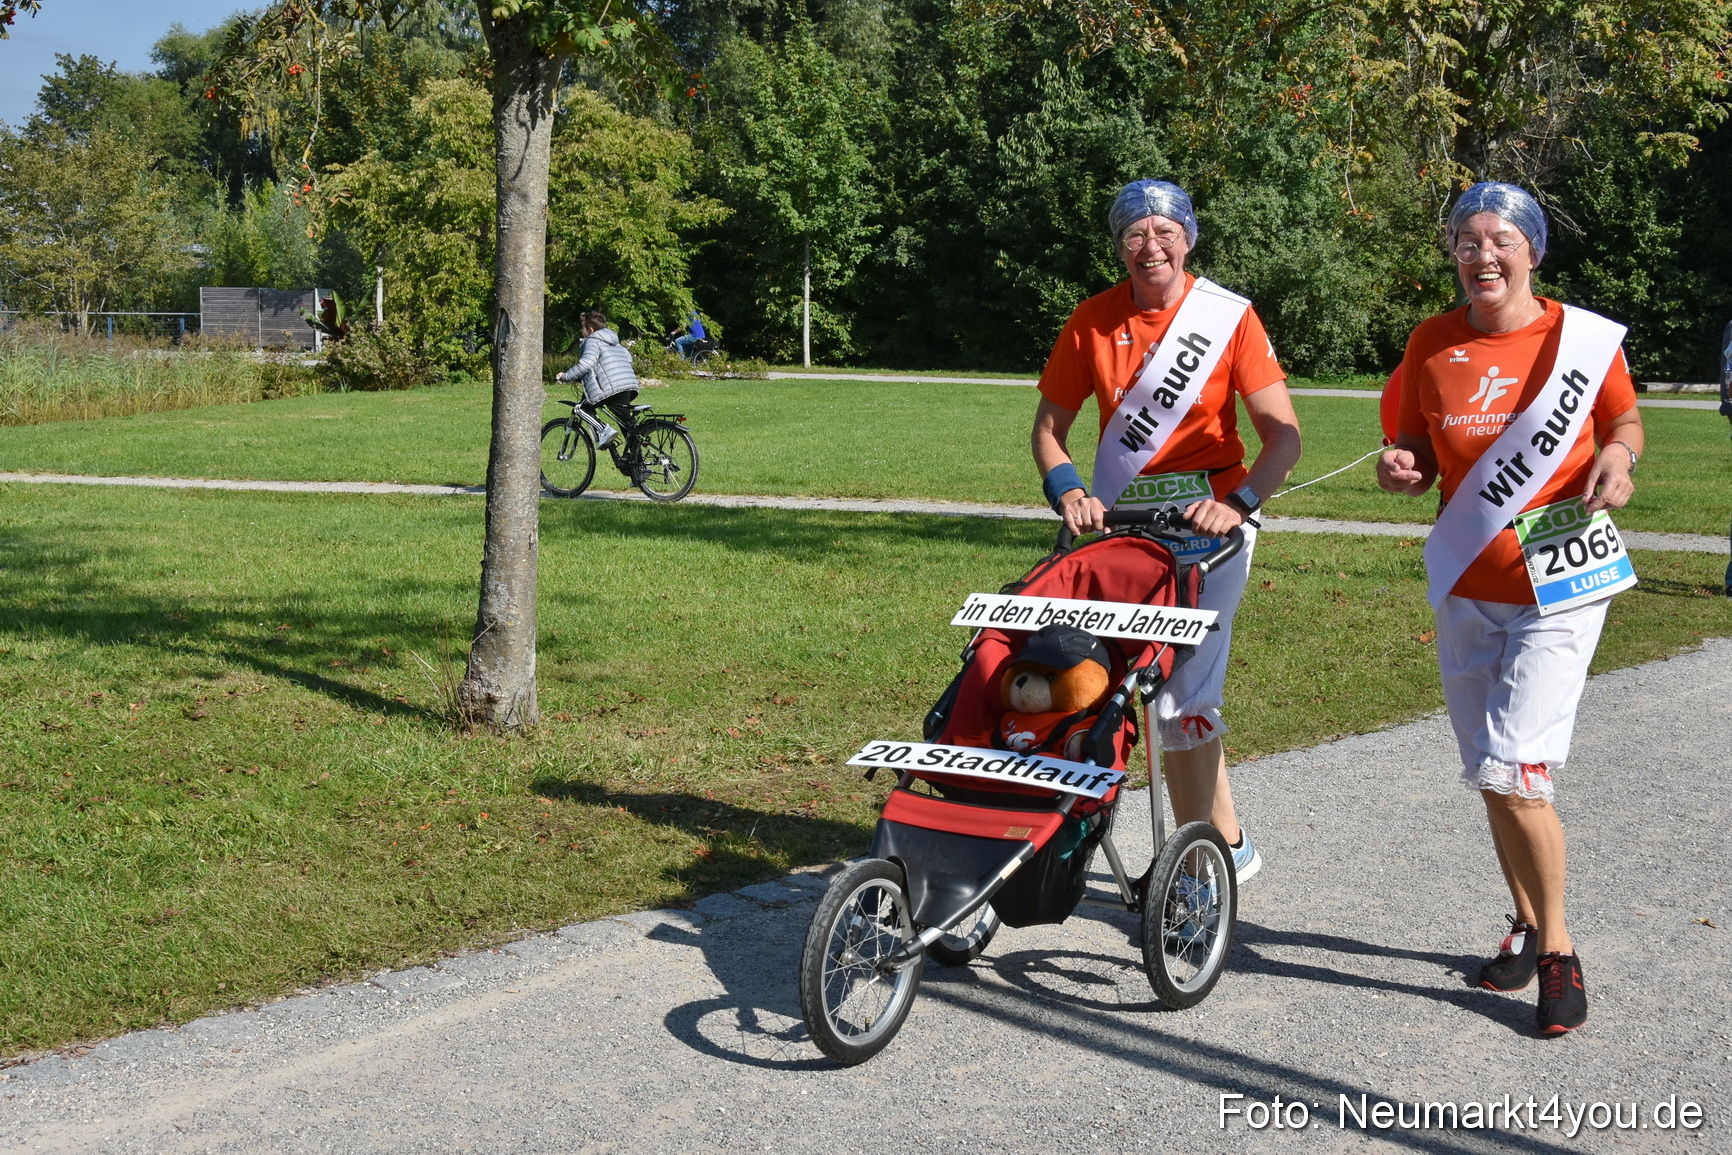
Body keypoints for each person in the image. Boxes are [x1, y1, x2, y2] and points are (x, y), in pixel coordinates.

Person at [1377, 182, 1645, 1036]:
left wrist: (1619, 459)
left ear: (1531, 250)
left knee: (1518, 771)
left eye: (1500, 240)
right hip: (1468, 580)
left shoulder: (1582, 338)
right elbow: (1411, 446)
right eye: (1466, 240)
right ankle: (1528, 921)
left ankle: (1559, 950)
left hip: (1560, 578)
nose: (1481, 255)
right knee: (1491, 772)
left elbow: (1625, 423)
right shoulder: (1431, 342)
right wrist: (1403, 467)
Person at [1032, 179, 1303, 885]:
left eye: (1164, 231)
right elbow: (1049, 431)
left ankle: (1195, 871)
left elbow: (1283, 437)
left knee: (1181, 699)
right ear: (1119, 245)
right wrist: (1069, 491)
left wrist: (1239, 503)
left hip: (1212, 534)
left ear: (1187, 237)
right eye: (1134, 234)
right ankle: (1226, 841)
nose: (1150, 246)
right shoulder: (1091, 320)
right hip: (1123, 531)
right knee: (1121, 685)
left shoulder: (1228, 319)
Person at [555, 310, 640, 448]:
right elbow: (627, 360)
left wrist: (565, 377)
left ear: (590, 329)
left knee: (580, 409)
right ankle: (637, 464)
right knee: (628, 427)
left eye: (582, 328)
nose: (581, 331)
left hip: (611, 389)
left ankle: (604, 430)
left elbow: (586, 364)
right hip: (628, 386)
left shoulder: (592, 341)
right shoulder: (614, 342)